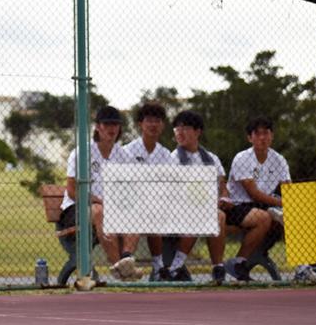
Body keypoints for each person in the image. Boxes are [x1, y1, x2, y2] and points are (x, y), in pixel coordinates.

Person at [170, 110, 264, 283]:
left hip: (215, 206)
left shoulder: (211, 158)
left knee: (261, 217)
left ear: (198, 131)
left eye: (185, 128)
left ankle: (238, 263)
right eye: (177, 128)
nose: (180, 132)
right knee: (217, 217)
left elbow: (223, 186)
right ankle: (211, 267)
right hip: (186, 209)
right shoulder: (173, 159)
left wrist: (225, 199)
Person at [62, 105, 142, 281]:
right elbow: (72, 190)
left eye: (116, 124)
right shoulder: (82, 152)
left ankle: (125, 259)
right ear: (98, 127)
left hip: (110, 208)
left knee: (134, 212)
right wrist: (99, 200)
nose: (112, 128)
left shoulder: (123, 156)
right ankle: (121, 271)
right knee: (99, 211)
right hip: (75, 209)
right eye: (107, 124)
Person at [226, 116, 290, 277]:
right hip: (237, 206)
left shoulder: (279, 160)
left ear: (272, 135)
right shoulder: (242, 158)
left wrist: (292, 203)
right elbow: (253, 193)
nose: (262, 137)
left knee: (292, 216)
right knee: (264, 218)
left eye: (266, 133)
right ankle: (239, 262)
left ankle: (305, 266)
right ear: (250, 138)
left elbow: (288, 188)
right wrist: (282, 202)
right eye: (257, 134)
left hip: (265, 204)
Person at [122, 102, 173, 280]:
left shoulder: (166, 155)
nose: (153, 125)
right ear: (140, 124)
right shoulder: (127, 151)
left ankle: (161, 267)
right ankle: (134, 262)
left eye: (157, 121)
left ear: (163, 125)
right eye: (149, 120)